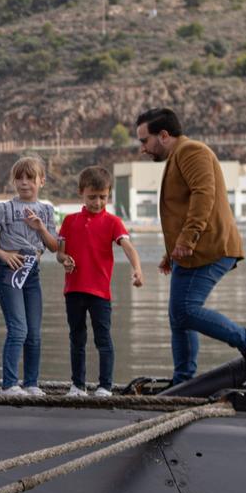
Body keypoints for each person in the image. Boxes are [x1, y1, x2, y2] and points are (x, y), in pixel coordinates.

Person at [136, 108, 246, 384]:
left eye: (145, 140)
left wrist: (187, 240)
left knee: (186, 310)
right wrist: (172, 251)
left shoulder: (191, 151)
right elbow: (186, 206)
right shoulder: (179, 155)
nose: (143, 149)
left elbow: (204, 194)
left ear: (163, 135)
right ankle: (183, 381)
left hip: (209, 248)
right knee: (179, 316)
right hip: (191, 252)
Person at [0, 157, 64, 397]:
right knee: (18, 329)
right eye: (20, 178)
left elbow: (54, 246)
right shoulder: (3, 208)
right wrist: (3, 255)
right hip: (9, 272)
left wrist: (40, 228)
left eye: (30, 178)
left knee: (34, 333)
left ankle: (32, 383)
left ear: (42, 181)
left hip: (32, 274)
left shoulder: (47, 210)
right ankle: (8, 385)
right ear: (14, 181)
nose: (24, 183)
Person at [58, 164, 144, 398]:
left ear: (109, 195)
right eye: (92, 197)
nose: (97, 202)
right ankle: (78, 386)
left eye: (103, 197)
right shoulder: (69, 221)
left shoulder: (113, 222)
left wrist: (136, 268)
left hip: (100, 293)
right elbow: (60, 253)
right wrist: (65, 260)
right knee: (77, 338)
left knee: (103, 339)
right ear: (81, 193)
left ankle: (105, 386)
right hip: (73, 290)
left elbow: (128, 247)